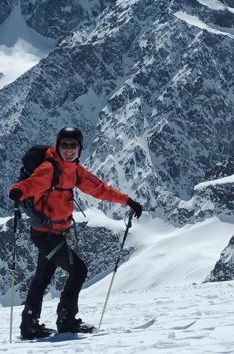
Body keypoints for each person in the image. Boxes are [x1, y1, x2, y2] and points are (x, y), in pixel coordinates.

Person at [8, 126, 143, 339]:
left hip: (53, 233)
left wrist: (127, 200)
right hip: (46, 235)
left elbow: (100, 189)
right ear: (57, 146)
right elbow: (31, 184)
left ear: (80, 148)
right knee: (78, 270)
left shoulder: (75, 171)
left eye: (73, 145)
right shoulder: (50, 168)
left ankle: (29, 324)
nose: (69, 150)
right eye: (65, 145)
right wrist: (18, 191)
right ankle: (66, 320)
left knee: (42, 278)